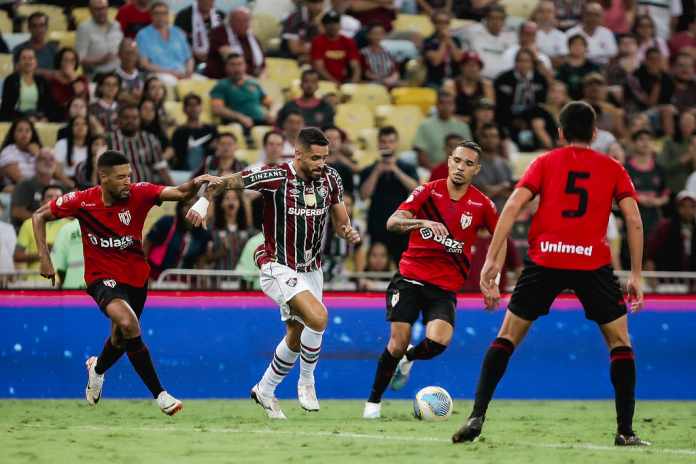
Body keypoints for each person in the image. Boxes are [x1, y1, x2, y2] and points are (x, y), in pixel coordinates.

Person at [451, 101, 649, 447]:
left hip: (545, 261)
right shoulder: (613, 167)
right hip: (592, 263)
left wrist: (492, 261)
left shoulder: (544, 162)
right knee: (620, 343)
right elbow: (633, 219)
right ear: (595, 133)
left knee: (507, 337)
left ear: (559, 133)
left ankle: (476, 415)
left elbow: (512, 206)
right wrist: (635, 273)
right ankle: (625, 431)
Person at [188, 127, 361, 418]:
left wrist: (347, 231)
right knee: (318, 317)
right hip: (277, 264)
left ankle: (265, 389)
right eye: (315, 158)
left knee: (296, 334)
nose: (321, 164)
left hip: (311, 268)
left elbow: (341, 217)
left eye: (324, 157)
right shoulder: (276, 176)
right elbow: (226, 182)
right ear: (298, 154)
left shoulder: (331, 178)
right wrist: (204, 201)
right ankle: (307, 382)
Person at [33, 150, 218, 414]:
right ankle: (161, 394)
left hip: (135, 278)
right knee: (129, 324)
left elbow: (179, 193)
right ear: (103, 177)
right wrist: (45, 258)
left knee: (121, 339)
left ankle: (97, 369)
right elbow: (38, 216)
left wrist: (196, 183)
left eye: (129, 175)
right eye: (120, 177)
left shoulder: (139, 193)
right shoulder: (82, 201)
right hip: (100, 278)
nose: (127, 182)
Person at [363, 140, 499, 419]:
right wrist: (422, 222)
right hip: (410, 279)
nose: (461, 167)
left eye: (468, 164)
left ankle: (408, 359)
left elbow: (501, 238)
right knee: (397, 341)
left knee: (438, 342)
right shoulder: (427, 191)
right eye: (457, 161)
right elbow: (392, 222)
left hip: (444, 287)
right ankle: (373, 403)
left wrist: (491, 276)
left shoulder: (482, 204)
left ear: (477, 169)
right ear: (449, 161)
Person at [360, 126, 419, 262]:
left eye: (391, 141)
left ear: (396, 144)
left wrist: (395, 170)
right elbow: (364, 195)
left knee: (402, 265)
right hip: (377, 224)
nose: (387, 145)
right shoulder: (369, 169)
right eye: (383, 141)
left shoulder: (407, 168)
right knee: (377, 264)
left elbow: (416, 190)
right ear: (378, 144)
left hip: (401, 225)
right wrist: (377, 172)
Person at [107, 103, 173, 185]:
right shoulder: (110, 140)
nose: (130, 121)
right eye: (126, 118)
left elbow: (161, 168)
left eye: (134, 118)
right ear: (119, 120)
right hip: (119, 193)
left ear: (140, 119)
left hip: (146, 192)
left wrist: (175, 191)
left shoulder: (149, 139)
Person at [144, 199, 211, 279]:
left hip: (184, 283)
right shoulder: (166, 222)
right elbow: (146, 245)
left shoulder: (203, 233)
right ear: (180, 207)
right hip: (156, 278)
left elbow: (201, 260)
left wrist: (203, 283)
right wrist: (143, 273)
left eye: (195, 206)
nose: (191, 210)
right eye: (187, 205)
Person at [135, 2, 194, 87]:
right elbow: (144, 64)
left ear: (168, 15)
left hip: (182, 73)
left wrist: (189, 71)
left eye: (164, 13)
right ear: (151, 15)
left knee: (202, 82)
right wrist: (170, 72)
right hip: (159, 74)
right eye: (157, 13)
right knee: (171, 82)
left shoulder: (178, 32)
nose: (160, 16)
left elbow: (189, 58)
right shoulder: (143, 35)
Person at [15, 185, 68, 276]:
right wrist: (44, 253)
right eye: (50, 196)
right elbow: (17, 256)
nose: (54, 200)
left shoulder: (69, 225)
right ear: (41, 202)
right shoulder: (28, 224)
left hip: (63, 283)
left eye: (58, 197)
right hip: (34, 283)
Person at [210, 54, 272, 129]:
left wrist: (271, 113)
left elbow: (269, 103)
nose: (237, 68)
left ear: (245, 66)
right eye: (232, 65)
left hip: (262, 121)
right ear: (226, 67)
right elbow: (217, 109)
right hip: (238, 124)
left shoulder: (253, 83)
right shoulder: (222, 85)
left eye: (240, 64)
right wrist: (240, 117)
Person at [413, 91, 472, 169]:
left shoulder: (463, 126)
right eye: (442, 103)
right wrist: (435, 171)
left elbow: (469, 152)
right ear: (436, 105)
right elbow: (421, 152)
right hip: (431, 170)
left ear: (454, 106)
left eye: (449, 103)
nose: (446, 106)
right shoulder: (425, 125)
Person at [205, 7, 265, 79]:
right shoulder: (219, 33)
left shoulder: (251, 37)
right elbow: (233, 62)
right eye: (239, 21)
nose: (243, 24)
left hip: (252, 78)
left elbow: (262, 63)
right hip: (225, 80)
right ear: (230, 21)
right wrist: (252, 81)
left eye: (246, 20)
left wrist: (262, 78)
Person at [10, 149, 62, 229]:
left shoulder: (60, 186)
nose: (48, 162)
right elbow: (17, 212)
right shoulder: (25, 185)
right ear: (36, 163)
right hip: (28, 230)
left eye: (51, 159)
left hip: (55, 230)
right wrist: (43, 221)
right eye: (43, 159)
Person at [646, 190, 696, 272]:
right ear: (677, 207)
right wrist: (652, 276)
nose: (688, 210)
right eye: (683, 206)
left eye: (692, 206)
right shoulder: (664, 226)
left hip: (692, 280)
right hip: (667, 279)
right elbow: (651, 255)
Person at [0, 48, 53, 122]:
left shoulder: (42, 81)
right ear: (18, 62)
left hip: (38, 119)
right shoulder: (11, 80)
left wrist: (45, 118)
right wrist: (24, 118)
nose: (28, 61)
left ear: (36, 62)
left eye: (31, 58)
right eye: (24, 58)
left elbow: (49, 105)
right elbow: (6, 108)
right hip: (16, 120)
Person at [467, 5, 517, 80]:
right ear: (486, 19)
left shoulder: (512, 37)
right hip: (481, 80)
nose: (496, 22)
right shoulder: (473, 34)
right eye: (493, 18)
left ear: (504, 21)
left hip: (504, 82)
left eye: (500, 19)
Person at [310, 10, 361, 84]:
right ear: (324, 25)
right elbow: (319, 67)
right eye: (330, 23)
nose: (333, 26)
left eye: (336, 23)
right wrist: (334, 82)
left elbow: (355, 66)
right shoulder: (318, 41)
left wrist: (353, 82)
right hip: (324, 82)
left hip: (344, 81)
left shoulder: (348, 41)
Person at [171, 93, 218, 171]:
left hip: (207, 170)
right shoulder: (178, 132)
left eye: (196, 105)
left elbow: (217, 150)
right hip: (184, 172)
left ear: (201, 108)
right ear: (184, 109)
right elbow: (174, 154)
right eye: (190, 105)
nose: (193, 108)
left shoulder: (211, 129)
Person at [76, 0, 123, 77]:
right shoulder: (84, 28)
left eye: (104, 8)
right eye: (97, 9)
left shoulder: (116, 25)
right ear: (90, 10)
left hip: (118, 73)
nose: (102, 12)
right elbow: (78, 59)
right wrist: (99, 61)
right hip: (97, 74)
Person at [472, 124, 514, 212]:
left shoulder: (505, 164)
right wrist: (503, 186)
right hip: (481, 215)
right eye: (485, 136)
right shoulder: (473, 164)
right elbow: (483, 194)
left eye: (494, 136)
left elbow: (512, 193)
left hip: (503, 215)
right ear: (479, 139)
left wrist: (495, 189)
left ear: (499, 139)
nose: (490, 140)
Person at [174, 0, 225, 65]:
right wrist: (193, 52)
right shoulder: (183, 16)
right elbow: (177, 41)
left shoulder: (221, 16)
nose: (207, 2)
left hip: (216, 59)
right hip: (190, 59)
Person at [423, 10, 464, 88]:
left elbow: (458, 58)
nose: (443, 25)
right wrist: (444, 42)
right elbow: (436, 61)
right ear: (434, 23)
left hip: (454, 80)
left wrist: (450, 41)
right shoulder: (428, 41)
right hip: (435, 81)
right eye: (439, 22)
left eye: (446, 22)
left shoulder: (456, 40)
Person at [12, 12, 59, 79]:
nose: (38, 30)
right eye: (34, 26)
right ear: (29, 28)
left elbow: (60, 74)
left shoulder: (54, 50)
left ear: (46, 28)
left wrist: (30, 70)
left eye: (42, 25)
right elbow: (17, 70)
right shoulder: (18, 49)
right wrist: (48, 73)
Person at [49, 48, 90, 122]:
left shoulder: (82, 79)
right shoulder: (52, 81)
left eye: (72, 60)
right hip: (57, 116)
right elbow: (60, 101)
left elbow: (84, 101)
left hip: (78, 118)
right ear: (59, 61)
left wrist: (72, 78)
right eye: (65, 60)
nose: (68, 63)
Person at [360, 23, 400, 87]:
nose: (378, 36)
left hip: (389, 82)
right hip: (371, 83)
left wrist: (393, 78)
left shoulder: (388, 52)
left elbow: (394, 70)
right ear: (368, 35)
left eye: (380, 34)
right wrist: (383, 80)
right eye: (375, 34)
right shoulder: (363, 53)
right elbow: (365, 73)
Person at [51, 218, 86, 289]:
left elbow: (58, 267)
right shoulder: (105, 226)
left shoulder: (67, 229)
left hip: (73, 287)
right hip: (103, 291)